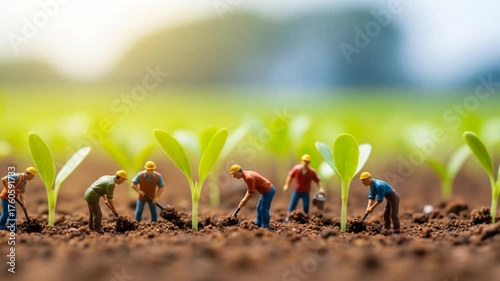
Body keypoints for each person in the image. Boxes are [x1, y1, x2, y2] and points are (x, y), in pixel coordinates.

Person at [230, 164, 275, 228]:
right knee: (258, 207)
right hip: (264, 192)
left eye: (234, 174)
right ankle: (258, 223)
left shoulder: (248, 177)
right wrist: (243, 200)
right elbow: (249, 190)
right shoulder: (246, 175)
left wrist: (244, 200)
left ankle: (265, 225)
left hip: (268, 191)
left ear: (237, 172)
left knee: (264, 209)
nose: (234, 176)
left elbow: (251, 192)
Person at [283, 154, 324, 221]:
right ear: (301, 161)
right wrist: (287, 185)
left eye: (307, 162)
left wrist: (320, 188)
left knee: (306, 206)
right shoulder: (296, 169)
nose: (305, 163)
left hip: (306, 192)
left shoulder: (312, 172)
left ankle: (306, 218)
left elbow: (318, 180)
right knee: (292, 204)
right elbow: (290, 176)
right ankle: (288, 217)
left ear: (309, 163)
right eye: (304, 161)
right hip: (297, 190)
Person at [0, 167, 37, 231]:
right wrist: (8, 189)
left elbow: (22, 193)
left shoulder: (25, 181)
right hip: (5, 196)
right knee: (6, 212)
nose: (32, 178)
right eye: (32, 176)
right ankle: (1, 227)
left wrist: (23, 203)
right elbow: (3, 179)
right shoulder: (16, 176)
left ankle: (12, 228)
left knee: (13, 212)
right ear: (28, 174)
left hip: (12, 198)